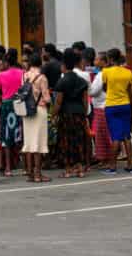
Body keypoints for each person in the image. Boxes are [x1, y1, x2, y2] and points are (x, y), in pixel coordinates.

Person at [53, 49, 90, 178]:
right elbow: (85, 100)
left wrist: (54, 114)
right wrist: (84, 114)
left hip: (66, 114)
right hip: (79, 113)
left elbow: (58, 101)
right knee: (79, 140)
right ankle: (80, 168)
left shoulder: (62, 82)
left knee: (66, 141)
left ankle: (68, 169)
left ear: (63, 66)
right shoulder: (81, 81)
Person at [100, 48, 132, 174]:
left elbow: (105, 88)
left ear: (110, 59)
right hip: (125, 104)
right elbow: (130, 91)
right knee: (126, 135)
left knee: (115, 136)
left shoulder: (106, 71)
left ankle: (112, 166)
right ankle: (130, 164)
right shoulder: (128, 73)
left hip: (112, 105)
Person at [21, 49, 51, 183]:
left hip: (27, 111)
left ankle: (30, 173)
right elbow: (47, 98)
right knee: (38, 143)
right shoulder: (42, 77)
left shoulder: (25, 76)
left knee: (29, 143)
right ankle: (38, 174)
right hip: (39, 110)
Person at [0, 48, 24, 177]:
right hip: (19, 103)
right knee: (21, 133)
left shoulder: (1, 75)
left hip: (6, 105)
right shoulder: (22, 72)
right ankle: (25, 166)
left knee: (6, 136)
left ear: (6, 62)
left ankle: (8, 168)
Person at [88, 51, 112, 166]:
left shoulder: (101, 75)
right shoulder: (106, 73)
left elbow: (93, 91)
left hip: (101, 107)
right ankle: (105, 158)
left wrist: (88, 86)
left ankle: (107, 158)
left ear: (103, 62)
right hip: (104, 105)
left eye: (97, 59)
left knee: (102, 135)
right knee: (102, 134)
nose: (95, 61)